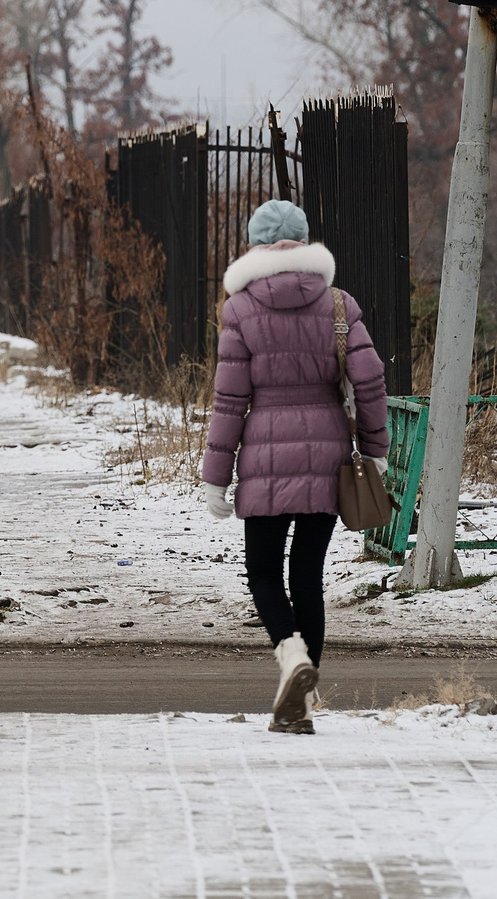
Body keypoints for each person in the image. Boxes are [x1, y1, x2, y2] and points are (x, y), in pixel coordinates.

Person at [198, 197, 388, 734]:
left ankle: (291, 660)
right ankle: (302, 704)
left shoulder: (239, 310)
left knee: (263, 574)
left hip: (264, 457)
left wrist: (216, 476)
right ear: (305, 243)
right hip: (328, 456)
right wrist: (374, 447)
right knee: (307, 577)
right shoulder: (337, 305)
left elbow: (229, 401)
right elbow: (371, 383)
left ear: (256, 246)